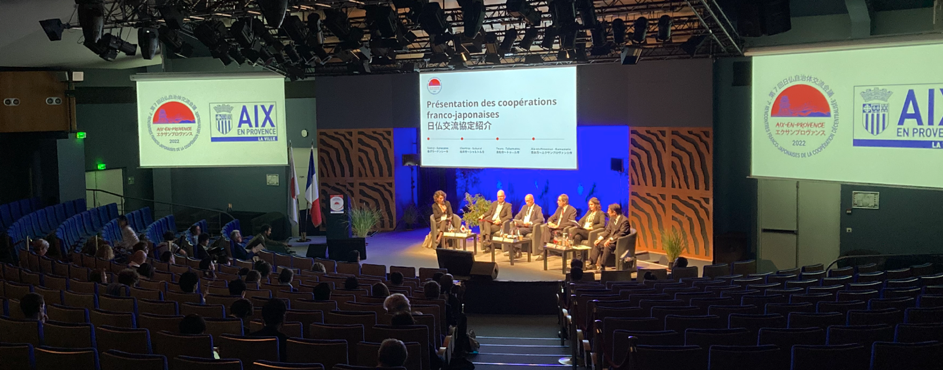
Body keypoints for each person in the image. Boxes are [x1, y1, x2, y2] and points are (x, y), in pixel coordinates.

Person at [588, 203, 631, 272]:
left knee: (608, 246)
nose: (607, 212)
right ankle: (592, 263)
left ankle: (602, 266)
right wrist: (599, 239)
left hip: (619, 242)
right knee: (597, 244)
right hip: (611, 240)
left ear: (614, 212)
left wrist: (610, 240)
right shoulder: (612, 219)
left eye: (609, 211)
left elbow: (621, 234)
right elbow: (607, 231)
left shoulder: (624, 221)